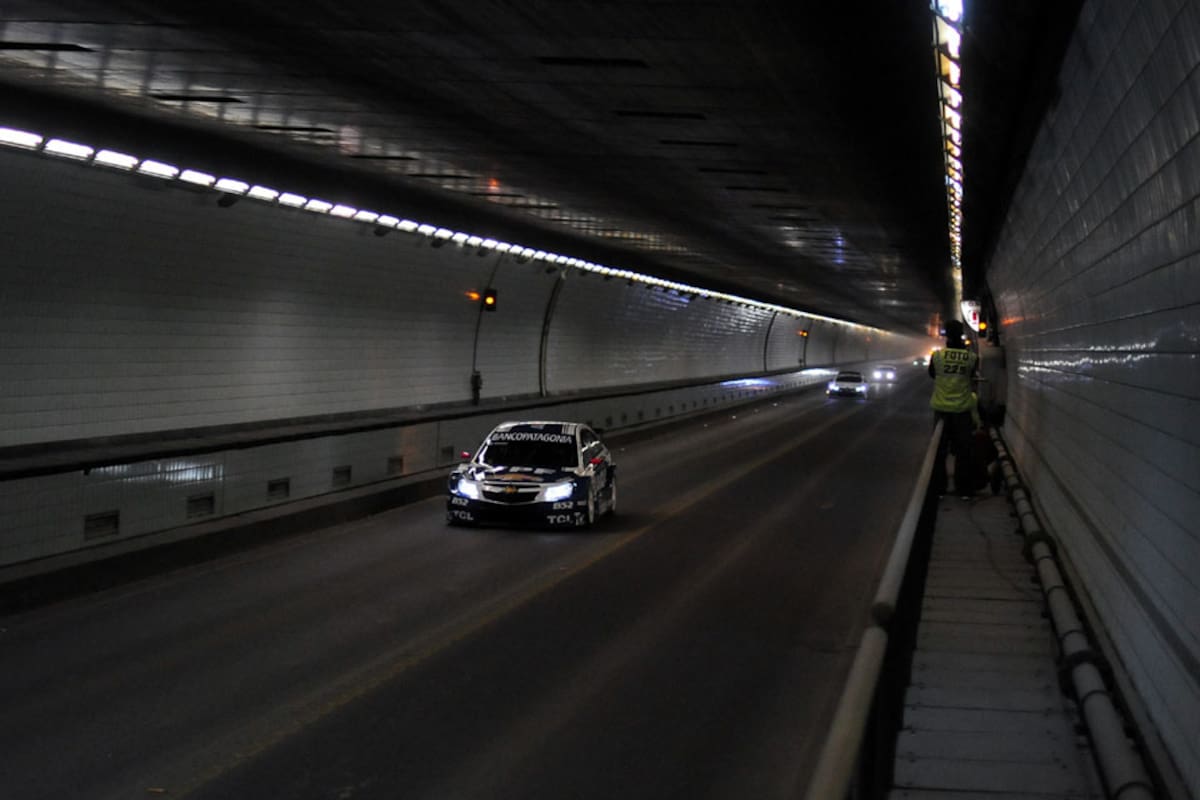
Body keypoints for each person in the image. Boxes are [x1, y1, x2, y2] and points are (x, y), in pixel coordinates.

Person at [928, 319, 979, 498]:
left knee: (938, 453)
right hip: (962, 411)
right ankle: (964, 490)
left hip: (941, 411)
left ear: (945, 335)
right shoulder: (971, 358)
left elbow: (933, 375)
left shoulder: (938, 356)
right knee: (964, 452)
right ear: (962, 334)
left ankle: (939, 490)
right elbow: (972, 376)